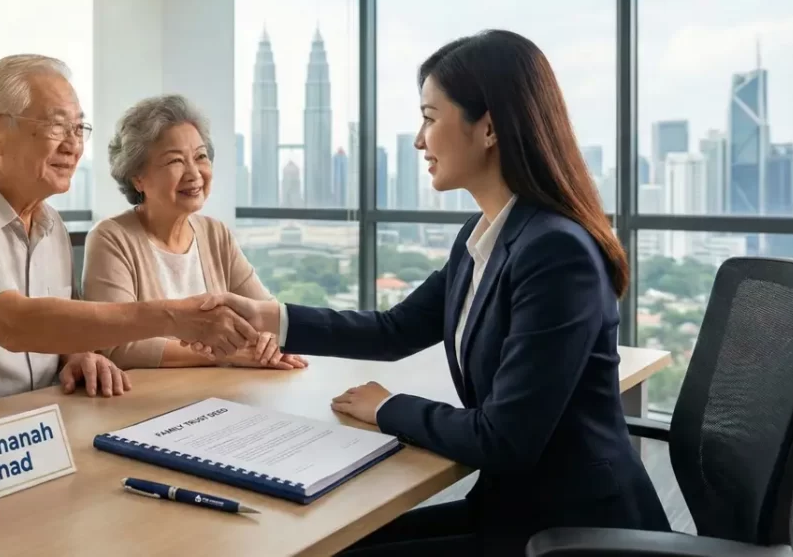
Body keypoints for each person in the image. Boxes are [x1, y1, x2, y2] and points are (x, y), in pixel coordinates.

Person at [198, 30, 671, 556]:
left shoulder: (556, 253)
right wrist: (267, 317)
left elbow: (504, 439)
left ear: (488, 127)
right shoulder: (486, 234)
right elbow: (395, 330)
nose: (419, 141)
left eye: (429, 117)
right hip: (514, 509)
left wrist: (388, 407)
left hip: (571, 532)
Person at [0, 55, 257, 422]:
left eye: (78, 128)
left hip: (32, 426)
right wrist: (176, 317)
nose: (73, 145)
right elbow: (12, 323)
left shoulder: (50, 224)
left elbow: (57, 325)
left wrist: (76, 355)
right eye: (56, 126)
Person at [82, 94, 307, 371]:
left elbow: (265, 314)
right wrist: (224, 353)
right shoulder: (111, 238)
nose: (194, 173)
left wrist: (268, 341)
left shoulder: (215, 234)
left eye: (200, 156)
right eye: (175, 161)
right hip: (148, 401)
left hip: (223, 395)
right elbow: (117, 346)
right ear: (137, 177)